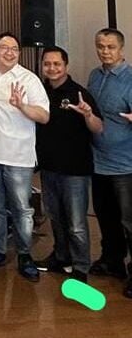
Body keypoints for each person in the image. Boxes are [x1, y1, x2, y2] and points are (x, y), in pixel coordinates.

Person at [0, 32, 49, 282]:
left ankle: (25, 255)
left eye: (14, 48)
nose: (9, 52)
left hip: (17, 155)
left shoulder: (29, 79)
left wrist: (22, 106)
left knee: (21, 209)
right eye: (4, 47)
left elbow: (44, 116)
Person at [35, 46, 101, 283]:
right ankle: (61, 257)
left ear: (66, 66)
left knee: (76, 223)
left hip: (75, 169)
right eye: (47, 64)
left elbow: (98, 128)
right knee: (56, 218)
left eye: (57, 64)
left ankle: (81, 266)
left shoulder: (79, 93)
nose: (52, 68)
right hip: (48, 167)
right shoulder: (40, 91)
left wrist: (88, 115)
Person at [86, 28, 132, 298]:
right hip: (98, 161)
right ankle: (112, 261)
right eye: (100, 46)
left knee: (129, 221)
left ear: (121, 49)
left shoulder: (130, 79)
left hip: (125, 165)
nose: (105, 51)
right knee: (106, 217)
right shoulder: (95, 75)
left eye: (110, 47)